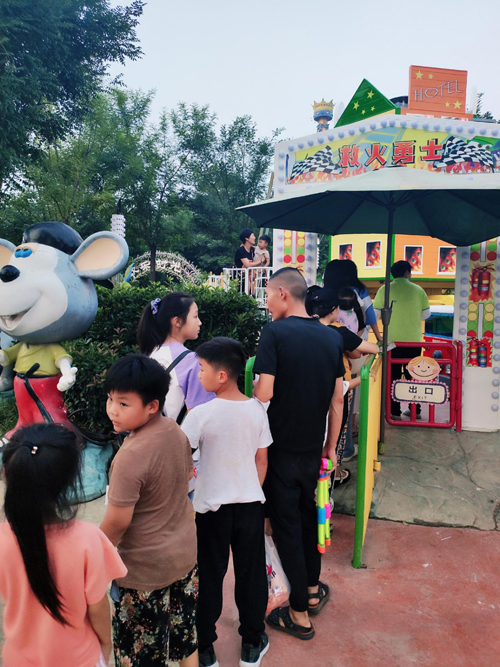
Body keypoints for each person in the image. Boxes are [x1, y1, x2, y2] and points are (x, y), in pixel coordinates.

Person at [253, 268, 345, 641]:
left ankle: (299, 614)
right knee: (309, 518)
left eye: (267, 296)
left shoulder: (274, 333)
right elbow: (337, 400)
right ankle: (311, 588)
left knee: (287, 526)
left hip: (279, 450)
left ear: (282, 293)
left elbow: (264, 394)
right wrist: (330, 447)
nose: (266, 303)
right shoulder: (332, 337)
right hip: (312, 449)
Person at [0, 423, 126, 667]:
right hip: (79, 659)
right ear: (69, 480)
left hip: (18, 659)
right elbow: (97, 608)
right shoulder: (88, 539)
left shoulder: (2, 540)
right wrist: (105, 644)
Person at [100, 354, 198, 667]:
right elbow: (185, 481)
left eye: (123, 403)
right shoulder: (174, 430)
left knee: (139, 656)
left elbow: (117, 522)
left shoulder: (130, 456)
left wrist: (93, 557)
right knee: (185, 638)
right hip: (184, 556)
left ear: (152, 405)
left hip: (144, 571)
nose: (112, 410)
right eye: (110, 399)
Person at [181, 337, 271, 667]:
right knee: (251, 574)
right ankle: (251, 643)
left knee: (208, 574)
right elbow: (261, 460)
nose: (198, 374)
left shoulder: (200, 415)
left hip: (210, 510)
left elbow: (181, 457)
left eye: (202, 369)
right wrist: (248, 487)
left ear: (221, 376)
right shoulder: (256, 411)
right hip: (249, 505)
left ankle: (204, 647)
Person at [305, 286, 379, 487]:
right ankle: (331, 477)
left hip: (308, 394)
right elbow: (371, 348)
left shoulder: (300, 329)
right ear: (335, 310)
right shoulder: (337, 332)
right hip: (337, 392)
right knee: (334, 436)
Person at [137, 292, 214, 423]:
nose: (199, 322)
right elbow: (201, 415)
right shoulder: (192, 361)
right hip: (180, 434)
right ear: (177, 321)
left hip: (151, 433)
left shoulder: (150, 356)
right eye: (195, 316)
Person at [373, 260, 430, 420]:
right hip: (414, 341)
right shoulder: (419, 290)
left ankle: (394, 412)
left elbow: (375, 314)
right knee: (413, 375)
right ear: (407, 272)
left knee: (393, 376)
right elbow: (426, 315)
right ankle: (415, 410)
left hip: (391, 342)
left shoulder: (384, 289)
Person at [323, 259, 383, 342]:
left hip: (331, 337)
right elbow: (369, 312)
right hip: (358, 337)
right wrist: (378, 336)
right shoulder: (359, 290)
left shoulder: (325, 293)